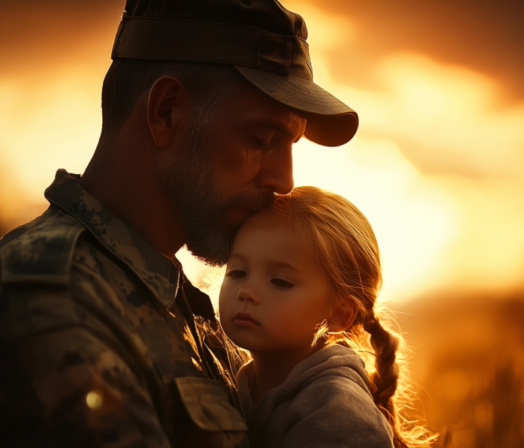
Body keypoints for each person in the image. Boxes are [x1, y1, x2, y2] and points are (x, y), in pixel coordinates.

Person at [0, 0, 358, 446]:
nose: (284, 179)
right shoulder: (50, 296)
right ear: (166, 111)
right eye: (261, 139)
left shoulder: (180, 300)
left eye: (290, 145)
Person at [218, 186, 436, 448]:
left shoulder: (338, 412)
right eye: (237, 272)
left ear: (339, 315)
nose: (247, 291)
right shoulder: (234, 378)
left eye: (280, 281)